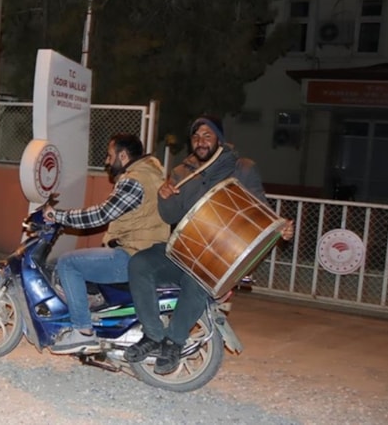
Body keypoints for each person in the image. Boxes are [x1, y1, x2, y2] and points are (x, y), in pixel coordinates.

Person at [124, 115, 294, 373]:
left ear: (219, 139)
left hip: (216, 259)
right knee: (140, 263)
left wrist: (281, 228)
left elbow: (261, 209)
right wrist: (165, 197)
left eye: (207, 135)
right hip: (180, 251)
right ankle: (153, 335)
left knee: (198, 278)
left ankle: (174, 341)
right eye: (195, 137)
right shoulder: (182, 172)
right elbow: (170, 216)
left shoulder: (242, 168)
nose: (200, 142)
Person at [42, 133, 170, 354]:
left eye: (110, 156)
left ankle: (83, 331)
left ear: (123, 155)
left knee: (67, 263)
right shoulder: (153, 175)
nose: (107, 161)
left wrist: (59, 216)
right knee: (90, 259)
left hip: (132, 255)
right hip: (146, 253)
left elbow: (102, 214)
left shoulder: (134, 179)